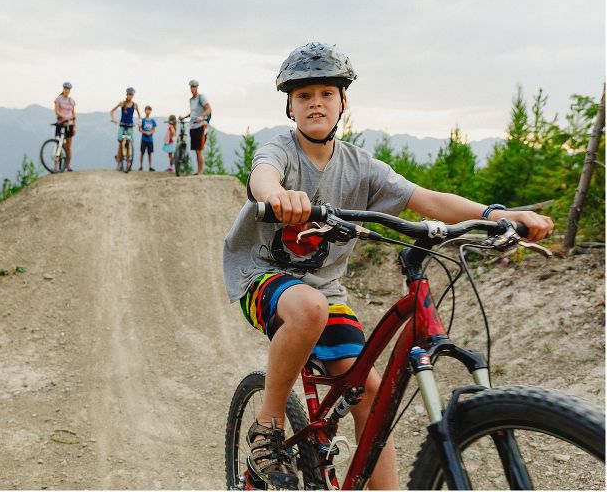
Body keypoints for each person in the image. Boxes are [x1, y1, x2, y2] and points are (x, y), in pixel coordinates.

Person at [222, 42, 554, 489]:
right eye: (304, 96)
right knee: (309, 308)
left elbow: (429, 200)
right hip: (260, 274)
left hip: (325, 288)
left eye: (325, 93)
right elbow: (262, 175)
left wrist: (497, 215)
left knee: (372, 397)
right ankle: (269, 426)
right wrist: (278, 195)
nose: (315, 102)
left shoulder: (361, 167)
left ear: (343, 102)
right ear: (290, 107)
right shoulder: (280, 151)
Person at [181, 79, 211, 175]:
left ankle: (200, 172)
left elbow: (208, 109)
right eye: (191, 86)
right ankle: (198, 171)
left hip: (201, 126)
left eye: (194, 86)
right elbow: (193, 113)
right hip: (192, 126)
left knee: (199, 150)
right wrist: (184, 117)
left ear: (197, 87)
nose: (192, 88)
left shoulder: (201, 98)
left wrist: (202, 117)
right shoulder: (191, 100)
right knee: (196, 151)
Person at [110, 87, 142, 169]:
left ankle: (128, 163)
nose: (130, 96)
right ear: (126, 94)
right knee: (121, 143)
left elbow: (139, 115)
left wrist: (139, 122)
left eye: (132, 95)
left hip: (130, 126)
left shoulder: (135, 105)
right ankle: (119, 162)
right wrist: (113, 119)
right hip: (122, 126)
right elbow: (112, 110)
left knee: (129, 144)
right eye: (129, 94)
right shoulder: (122, 103)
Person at [54, 81, 76, 172]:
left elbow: (74, 114)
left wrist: (74, 126)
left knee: (68, 146)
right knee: (58, 144)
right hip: (60, 123)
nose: (67, 91)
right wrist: (65, 117)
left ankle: (68, 165)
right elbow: (56, 111)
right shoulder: (58, 99)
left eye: (68, 89)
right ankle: (55, 166)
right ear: (63, 89)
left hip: (69, 125)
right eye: (65, 89)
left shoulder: (71, 101)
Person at [139, 105, 158, 171]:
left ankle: (150, 166)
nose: (148, 111)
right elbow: (140, 129)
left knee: (150, 153)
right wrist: (145, 132)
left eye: (149, 110)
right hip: (144, 139)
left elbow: (154, 128)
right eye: (147, 110)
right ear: (145, 111)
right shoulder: (142, 120)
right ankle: (141, 166)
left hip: (150, 139)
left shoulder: (152, 121)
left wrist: (150, 132)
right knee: (142, 153)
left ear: (150, 111)